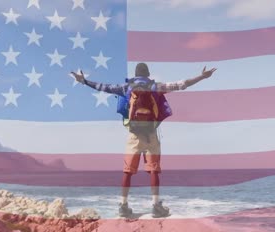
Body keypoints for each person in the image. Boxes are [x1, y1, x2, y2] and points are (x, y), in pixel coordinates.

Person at [71, 63, 216, 218]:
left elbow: (103, 87)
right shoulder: (156, 87)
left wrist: (84, 81)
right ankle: (155, 206)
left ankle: (123, 206)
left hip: (133, 136)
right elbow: (181, 84)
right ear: (148, 74)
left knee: (128, 172)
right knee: (153, 170)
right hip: (151, 135)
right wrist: (202, 76)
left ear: (135, 74)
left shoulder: (126, 87)